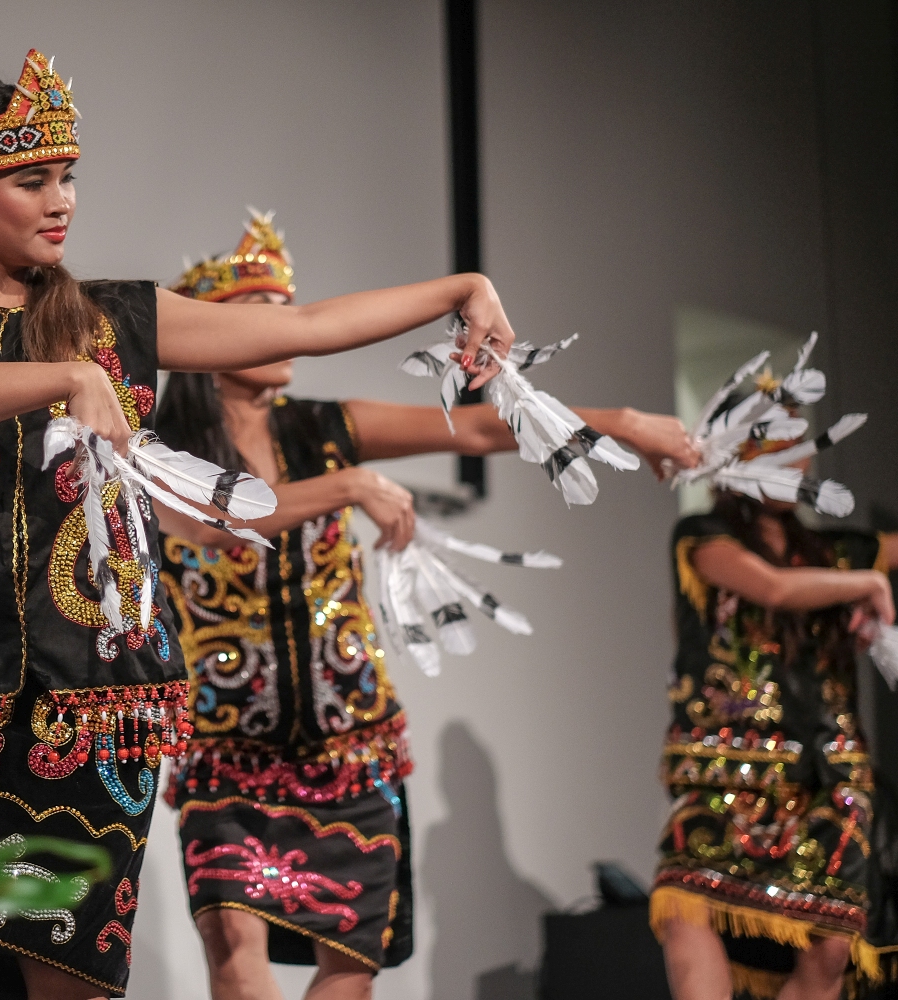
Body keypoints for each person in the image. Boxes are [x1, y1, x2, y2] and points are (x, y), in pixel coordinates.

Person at [0, 52, 521, 1000]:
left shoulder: (119, 317)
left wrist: (461, 288)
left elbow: (308, 328)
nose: (61, 201)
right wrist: (69, 378)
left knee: (67, 964)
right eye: (32, 181)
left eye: (67, 176)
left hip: (95, 696)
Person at [155, 210, 699, 1000]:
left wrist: (627, 423)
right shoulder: (163, 450)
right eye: (258, 314)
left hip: (352, 743)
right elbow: (208, 521)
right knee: (234, 948)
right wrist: (348, 486)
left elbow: (477, 434)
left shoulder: (327, 428)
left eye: (287, 310)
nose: (283, 328)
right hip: (227, 751)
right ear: (208, 339)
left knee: (351, 965)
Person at [651, 377, 898, 1000]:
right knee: (686, 906)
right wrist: (867, 585)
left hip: (828, 775)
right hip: (724, 776)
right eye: (775, 440)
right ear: (736, 449)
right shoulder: (703, 537)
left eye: (800, 441)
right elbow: (773, 588)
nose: (796, 457)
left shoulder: (836, 552)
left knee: (831, 943)